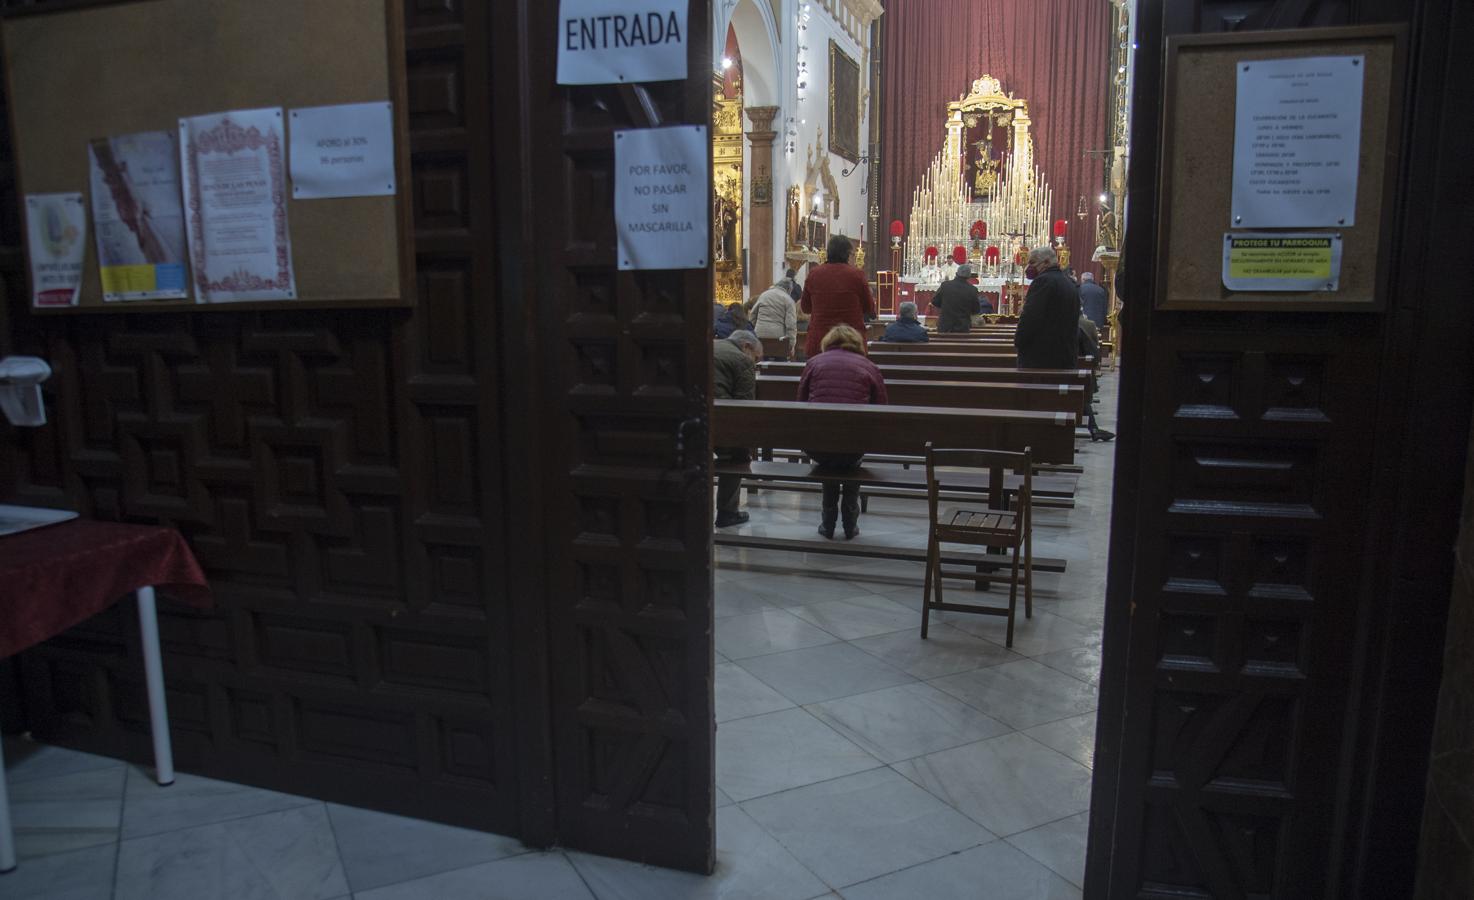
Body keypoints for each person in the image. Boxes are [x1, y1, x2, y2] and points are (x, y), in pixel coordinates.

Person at [796, 324, 887, 539]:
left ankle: (828, 522)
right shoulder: (869, 366)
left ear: (827, 342)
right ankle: (849, 521)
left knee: (830, 460)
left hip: (818, 444)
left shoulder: (813, 363)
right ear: (857, 344)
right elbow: (881, 406)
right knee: (848, 458)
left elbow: (799, 402)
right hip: (853, 445)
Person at [713, 330, 762, 527]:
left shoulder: (711, 345)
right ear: (746, 346)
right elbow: (744, 405)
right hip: (718, 418)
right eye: (756, 358)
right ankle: (727, 512)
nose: (756, 363)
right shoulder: (742, 360)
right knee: (737, 456)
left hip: (689, 417)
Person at [800, 235, 875, 359]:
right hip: (850, 340)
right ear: (846, 254)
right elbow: (869, 307)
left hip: (820, 340)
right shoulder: (856, 275)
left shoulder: (814, 274)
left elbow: (805, 308)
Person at [1015, 246, 1080, 369]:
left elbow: (1030, 317)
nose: (1029, 267)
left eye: (1032, 262)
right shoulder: (1067, 282)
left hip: (1042, 356)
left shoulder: (1043, 281)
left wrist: (1019, 341)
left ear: (1046, 262)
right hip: (1065, 353)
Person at [1076, 313, 1115, 442]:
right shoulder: (1077, 328)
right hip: (1071, 379)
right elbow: (1094, 356)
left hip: (1036, 379)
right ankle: (1093, 428)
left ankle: (1093, 428)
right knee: (1077, 386)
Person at [928, 264, 989, 333]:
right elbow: (976, 310)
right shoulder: (972, 290)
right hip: (962, 327)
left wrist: (945, 306)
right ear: (969, 276)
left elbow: (934, 302)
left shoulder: (945, 285)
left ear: (956, 273)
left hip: (944, 326)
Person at [748, 278, 799, 356]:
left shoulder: (764, 295)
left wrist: (754, 329)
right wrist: (791, 345)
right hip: (779, 338)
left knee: (761, 362)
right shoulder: (788, 300)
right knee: (779, 363)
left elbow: (753, 314)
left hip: (760, 335)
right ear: (789, 290)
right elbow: (791, 325)